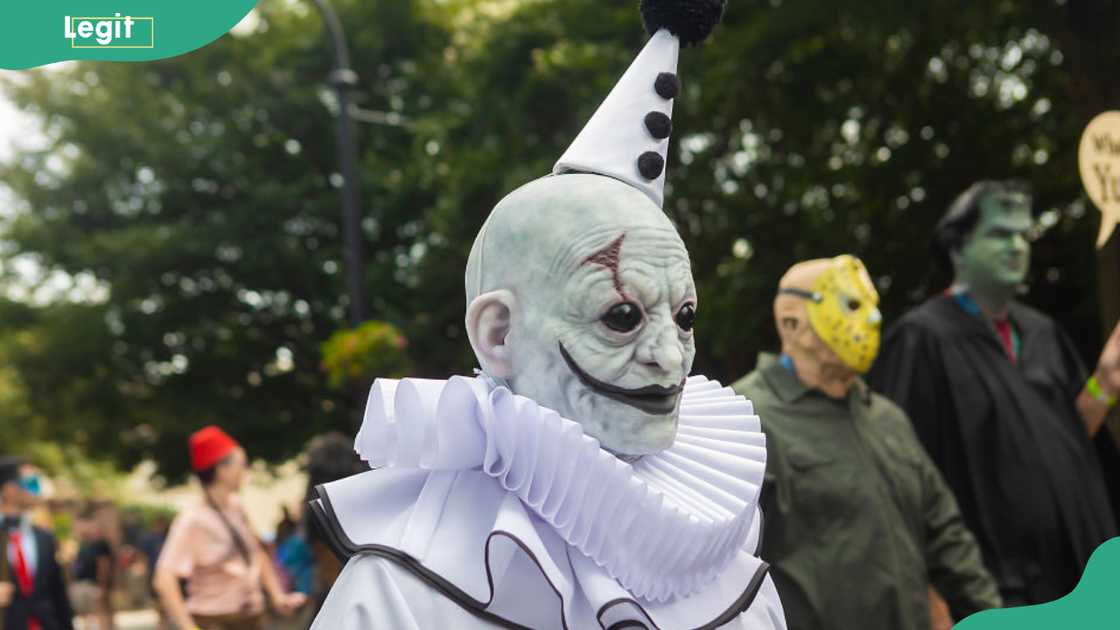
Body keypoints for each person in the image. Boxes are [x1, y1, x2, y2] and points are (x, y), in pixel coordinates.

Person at [308, 2, 786, 628]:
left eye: (685, 317)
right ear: (497, 334)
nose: (672, 358)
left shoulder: (722, 569)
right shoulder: (405, 595)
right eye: (621, 316)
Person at [870, 179, 1120, 606]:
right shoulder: (922, 339)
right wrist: (932, 599)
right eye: (1000, 234)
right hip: (993, 594)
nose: (1018, 245)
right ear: (957, 249)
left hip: (1081, 582)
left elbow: (1069, 441)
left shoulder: (1043, 333)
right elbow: (897, 481)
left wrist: (1107, 381)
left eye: (1023, 235)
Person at [732, 255, 1002, 630]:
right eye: (851, 305)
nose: (872, 318)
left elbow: (948, 539)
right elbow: (720, 573)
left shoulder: (887, 418)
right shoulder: (743, 420)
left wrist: (993, 617)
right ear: (791, 323)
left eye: (872, 305)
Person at [151, 426, 306, 630]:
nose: (245, 471)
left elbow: (256, 553)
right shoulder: (193, 519)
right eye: (241, 464)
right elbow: (164, 579)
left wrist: (278, 596)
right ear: (221, 469)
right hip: (215, 621)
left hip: (251, 618)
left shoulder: (236, 507)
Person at [0, 456, 73, 630]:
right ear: (10, 489)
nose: (38, 489)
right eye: (32, 483)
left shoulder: (45, 538)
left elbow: (58, 597)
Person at [70, 506, 115, 630]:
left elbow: (104, 564)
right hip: (84, 583)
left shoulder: (99, 543)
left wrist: (102, 584)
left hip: (94, 583)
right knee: (86, 614)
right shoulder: (83, 544)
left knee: (100, 612)